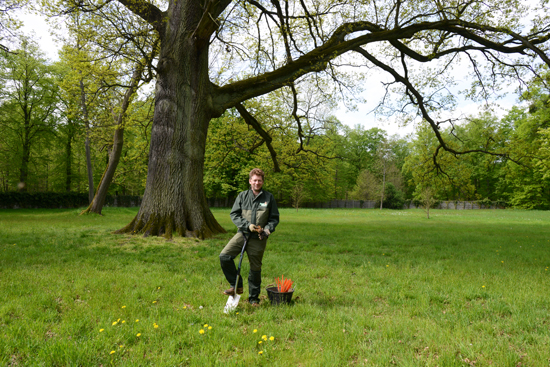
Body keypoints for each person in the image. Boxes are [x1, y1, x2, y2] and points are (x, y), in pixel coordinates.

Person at [219, 168, 279, 306]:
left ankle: (254, 299)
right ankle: (236, 285)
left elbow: (274, 218)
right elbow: (234, 215)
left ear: (262, 182)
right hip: (242, 234)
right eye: (255, 180)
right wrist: (248, 226)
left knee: (255, 268)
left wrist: (267, 230)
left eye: (259, 180)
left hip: (259, 238)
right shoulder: (242, 196)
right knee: (224, 256)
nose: (257, 183)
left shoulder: (269, 198)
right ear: (250, 181)